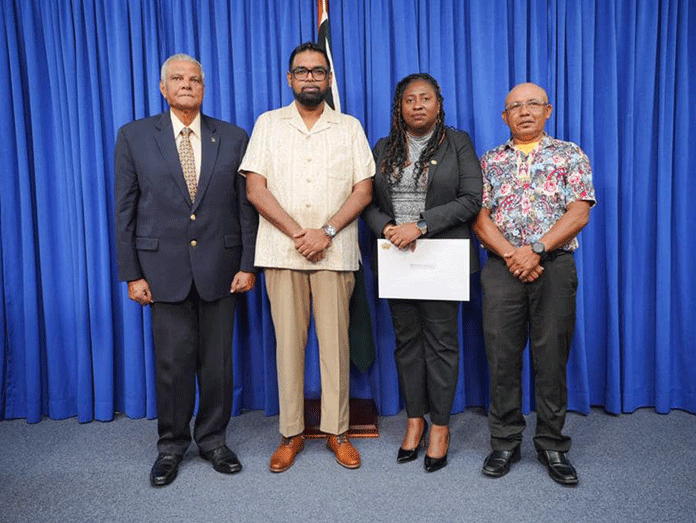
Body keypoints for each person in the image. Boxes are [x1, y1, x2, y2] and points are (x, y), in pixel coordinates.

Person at [114, 54, 258, 487]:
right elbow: (124, 210)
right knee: (173, 365)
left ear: (204, 86)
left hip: (221, 267)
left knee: (217, 366)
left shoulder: (232, 137)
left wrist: (247, 264)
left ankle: (213, 441)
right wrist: (132, 274)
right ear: (163, 87)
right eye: (177, 79)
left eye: (195, 79)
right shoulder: (134, 136)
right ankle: (171, 446)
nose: (187, 85)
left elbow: (245, 207)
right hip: (161, 271)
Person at [240, 42, 375, 472]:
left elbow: (364, 190)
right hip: (283, 251)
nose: (311, 78)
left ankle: (338, 432)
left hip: (335, 252)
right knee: (289, 348)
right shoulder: (268, 124)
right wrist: (300, 233)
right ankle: (291, 433)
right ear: (289, 79)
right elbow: (255, 188)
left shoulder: (350, 127)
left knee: (335, 346)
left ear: (329, 79)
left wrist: (327, 232)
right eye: (302, 71)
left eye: (318, 71)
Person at [472, 82, 596, 486]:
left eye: (533, 104)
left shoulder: (570, 154)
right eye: (515, 107)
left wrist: (537, 249)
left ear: (548, 110)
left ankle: (552, 443)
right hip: (502, 266)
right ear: (504, 117)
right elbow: (479, 217)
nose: (524, 112)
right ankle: (505, 441)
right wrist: (513, 254)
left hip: (554, 267)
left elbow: (579, 212)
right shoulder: (489, 160)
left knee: (550, 356)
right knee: (501, 355)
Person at [362, 73, 481, 472]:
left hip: (442, 259)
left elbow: (471, 200)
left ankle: (441, 427)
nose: (417, 105)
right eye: (409, 99)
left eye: (425, 98)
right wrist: (387, 228)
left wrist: (422, 225)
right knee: (407, 343)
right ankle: (415, 422)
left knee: (442, 344)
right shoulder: (383, 147)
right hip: (398, 261)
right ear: (400, 106)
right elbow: (369, 203)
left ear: (438, 103)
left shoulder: (458, 142)